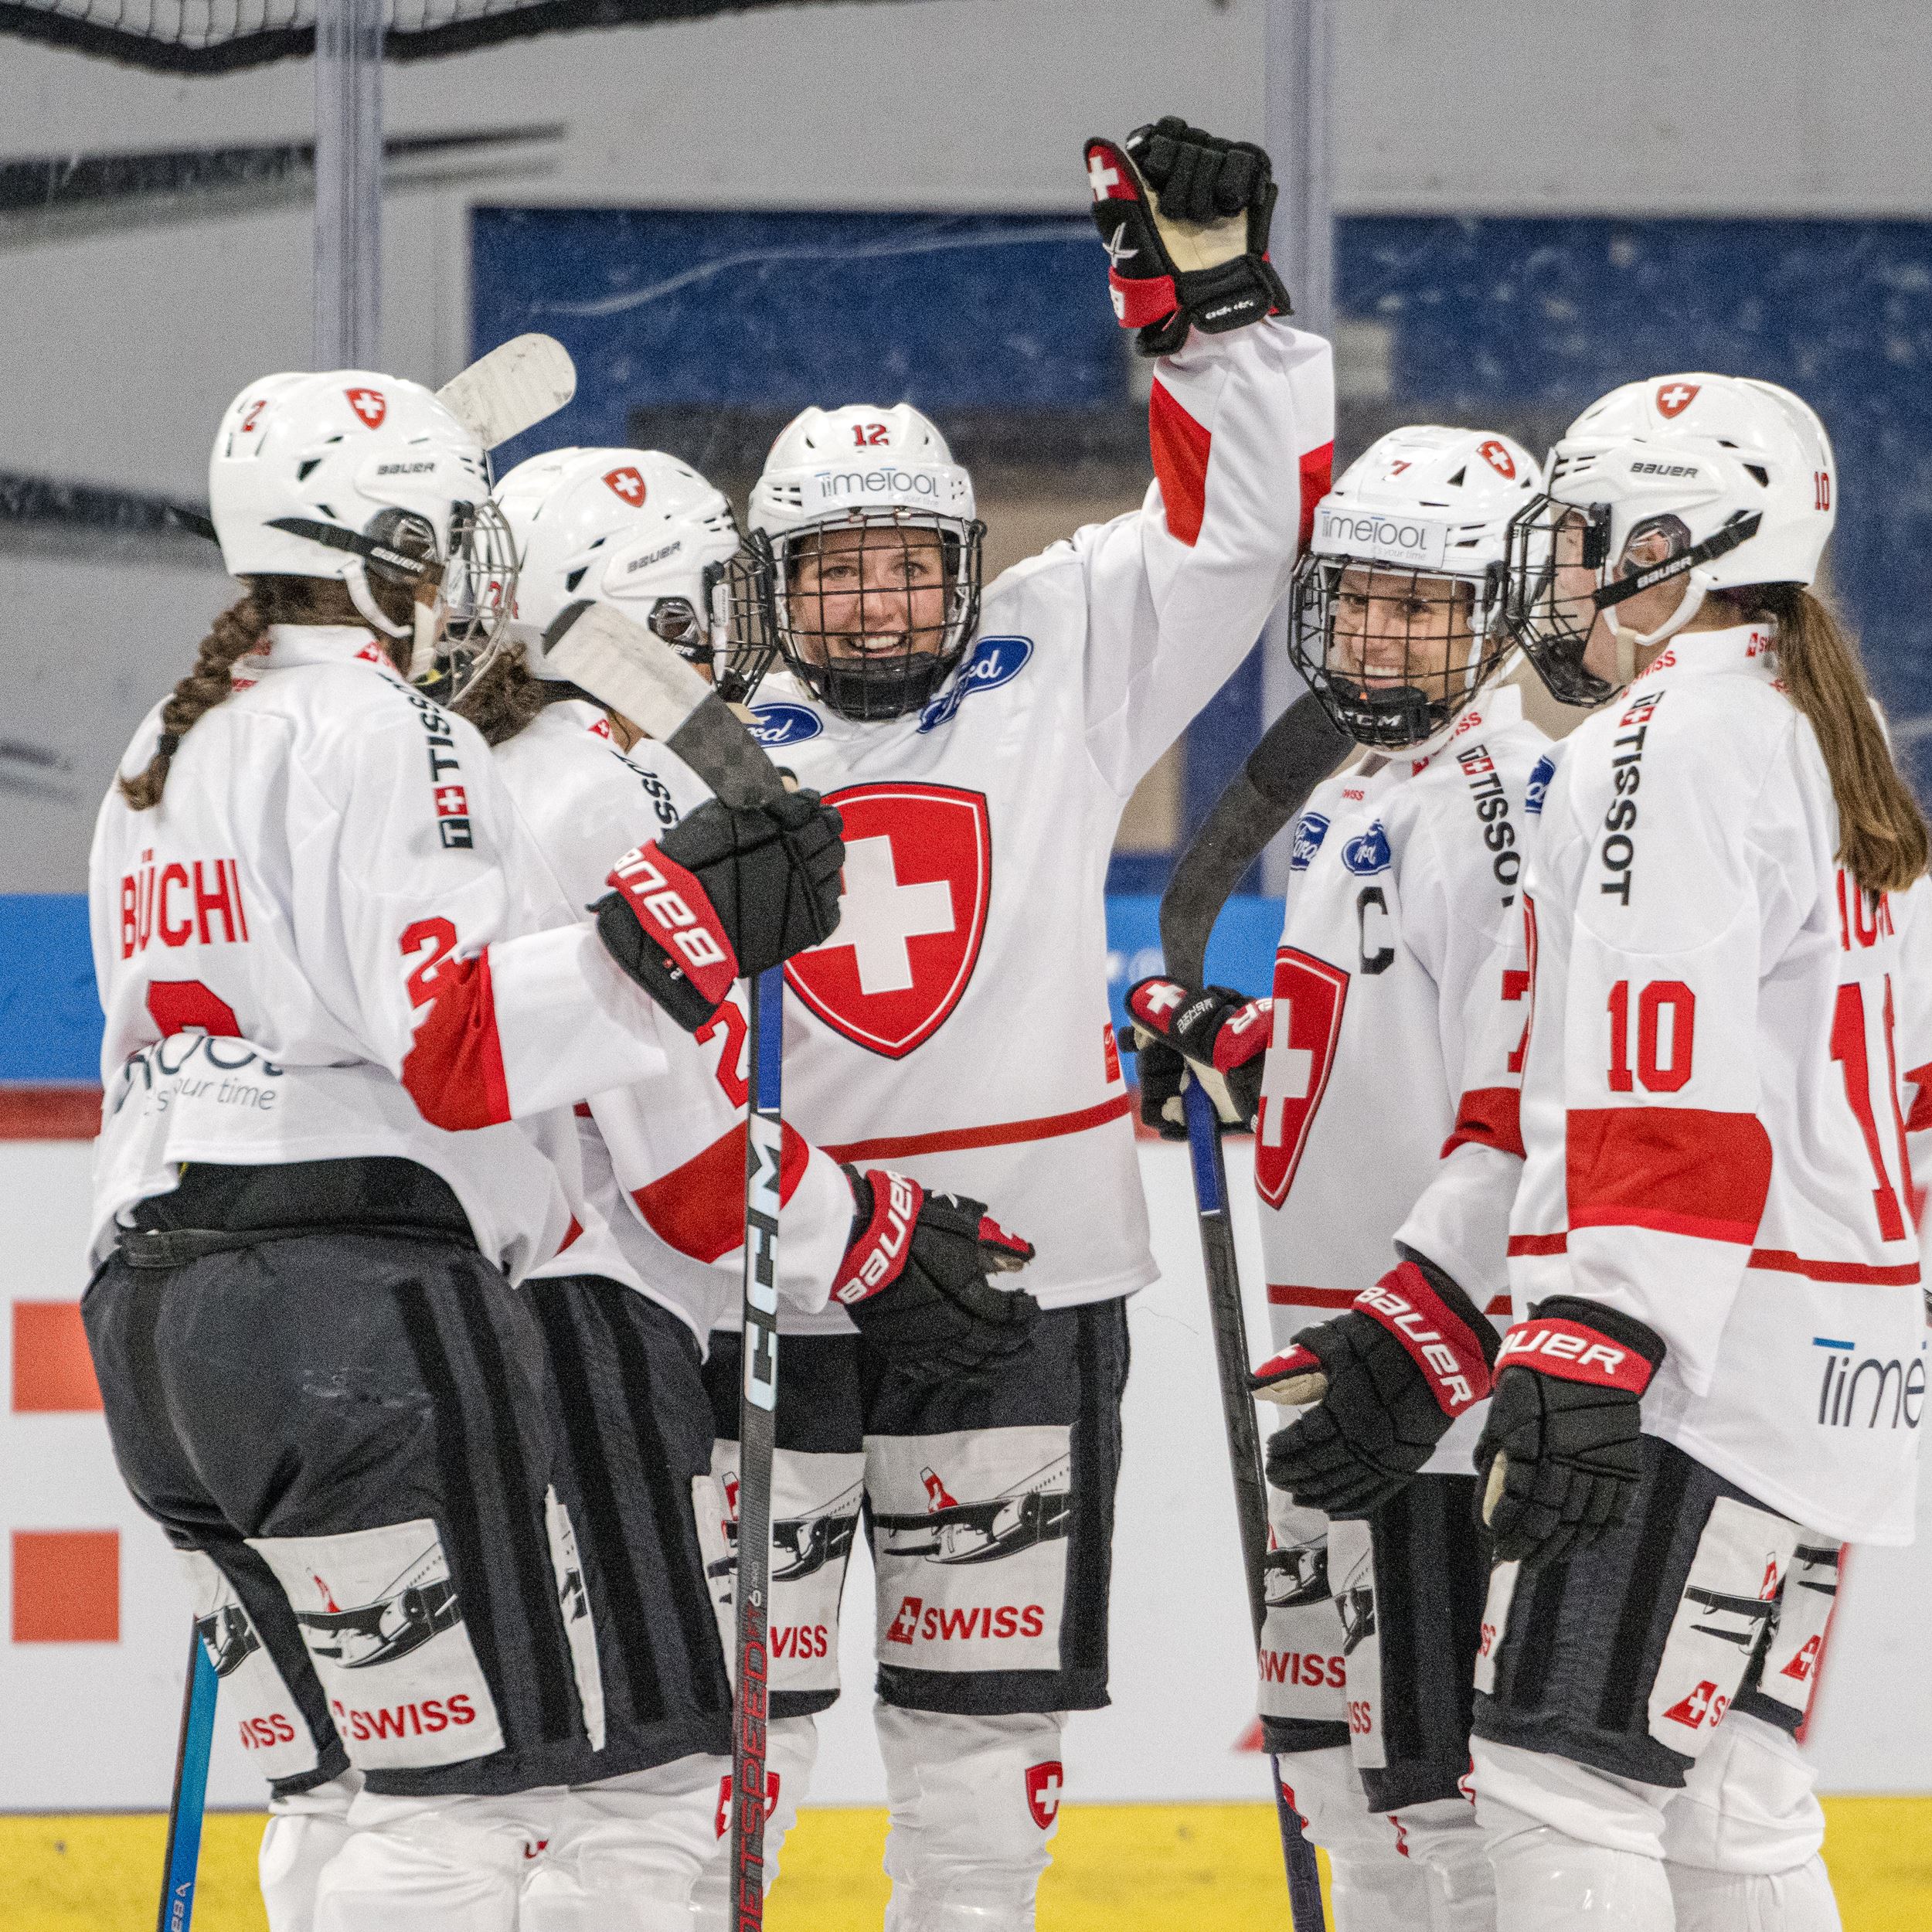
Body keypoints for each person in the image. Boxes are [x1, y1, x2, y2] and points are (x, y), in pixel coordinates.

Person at [80, 368, 852, 1932]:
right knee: (504, 1798)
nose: (462, 584)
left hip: (156, 1315)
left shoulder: (163, 739)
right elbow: (454, 1051)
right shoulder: (387, 727)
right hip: (347, 1306)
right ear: (383, 542)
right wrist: (678, 929)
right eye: (443, 543)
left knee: (345, 1785)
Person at [708, 116, 1335, 1928]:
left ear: (967, 556)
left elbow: (1245, 528)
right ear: (771, 580)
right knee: (737, 1740)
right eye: (834, 566)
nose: (877, 598)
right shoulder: (707, 733)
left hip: (1025, 1284)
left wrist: (1204, 315)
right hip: (780, 1276)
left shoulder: (1053, 652)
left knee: (981, 1749)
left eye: (909, 561)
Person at [468, 440, 1043, 1926]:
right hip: (589, 1340)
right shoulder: (611, 796)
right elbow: (687, 1178)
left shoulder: (484, 770)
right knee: (651, 1804)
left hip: (459, 1327)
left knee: (502, 1799)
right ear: (640, 614)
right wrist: (881, 1235)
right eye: (710, 596)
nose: (736, 635)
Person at [1470, 372, 1930, 1932]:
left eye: (1591, 535)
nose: (1569, 571)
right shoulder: (1829, 719)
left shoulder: (1663, 734)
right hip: (1835, 1348)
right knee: (1728, 1787)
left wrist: (1598, 1321)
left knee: (1556, 1778)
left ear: (1680, 539)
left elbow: (1662, 1063)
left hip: (1701, 1353)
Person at [1124, 424, 1549, 1932]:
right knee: (1330, 1774)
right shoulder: (1376, 778)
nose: (1376, 628)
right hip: (1326, 1369)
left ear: (1508, 604)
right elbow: (1379, 1049)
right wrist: (1235, 1045)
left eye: (1421, 601)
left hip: (1422, 1383)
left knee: (1437, 1801)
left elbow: (1524, 1106)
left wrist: (1434, 1338)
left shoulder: (1505, 799)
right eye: (1358, 595)